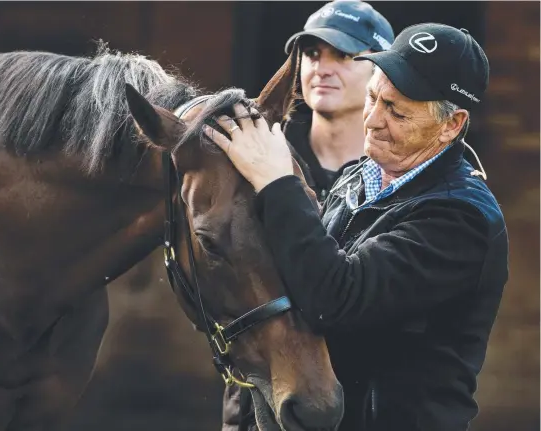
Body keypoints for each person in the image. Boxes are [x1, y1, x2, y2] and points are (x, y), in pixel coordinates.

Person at [207, 22, 509, 431]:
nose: (372, 121)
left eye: (396, 111)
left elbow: (337, 298)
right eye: (373, 97)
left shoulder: (462, 219)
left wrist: (278, 183)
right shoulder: (357, 176)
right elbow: (292, 281)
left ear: (451, 125)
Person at [279, 0, 395, 204]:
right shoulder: (270, 152)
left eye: (343, 55)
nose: (322, 70)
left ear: (381, 69)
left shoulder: (401, 172)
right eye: (312, 54)